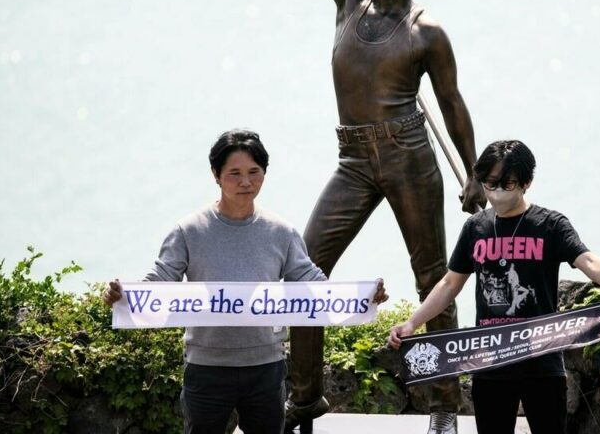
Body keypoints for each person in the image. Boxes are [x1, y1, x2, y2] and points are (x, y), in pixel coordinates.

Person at [287, 0, 487, 432]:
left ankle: (445, 407)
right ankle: (306, 398)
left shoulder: (429, 33)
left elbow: (452, 104)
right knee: (304, 273)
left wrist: (472, 172)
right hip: (353, 160)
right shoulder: (348, 0)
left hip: (409, 158)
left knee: (435, 280)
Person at [102, 129, 388, 434]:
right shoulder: (189, 230)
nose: (246, 182)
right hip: (207, 367)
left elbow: (311, 282)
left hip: (265, 367)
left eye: (254, 172)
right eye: (234, 173)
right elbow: (161, 280)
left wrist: (363, 297)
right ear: (216, 175)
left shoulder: (281, 232)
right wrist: (122, 296)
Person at [388, 140, 600, 434]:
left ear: (526, 183)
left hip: (542, 361)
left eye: (507, 184)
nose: (497, 192)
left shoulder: (550, 224)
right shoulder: (476, 228)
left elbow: (587, 260)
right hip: (490, 363)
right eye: (490, 184)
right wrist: (412, 323)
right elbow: (449, 284)